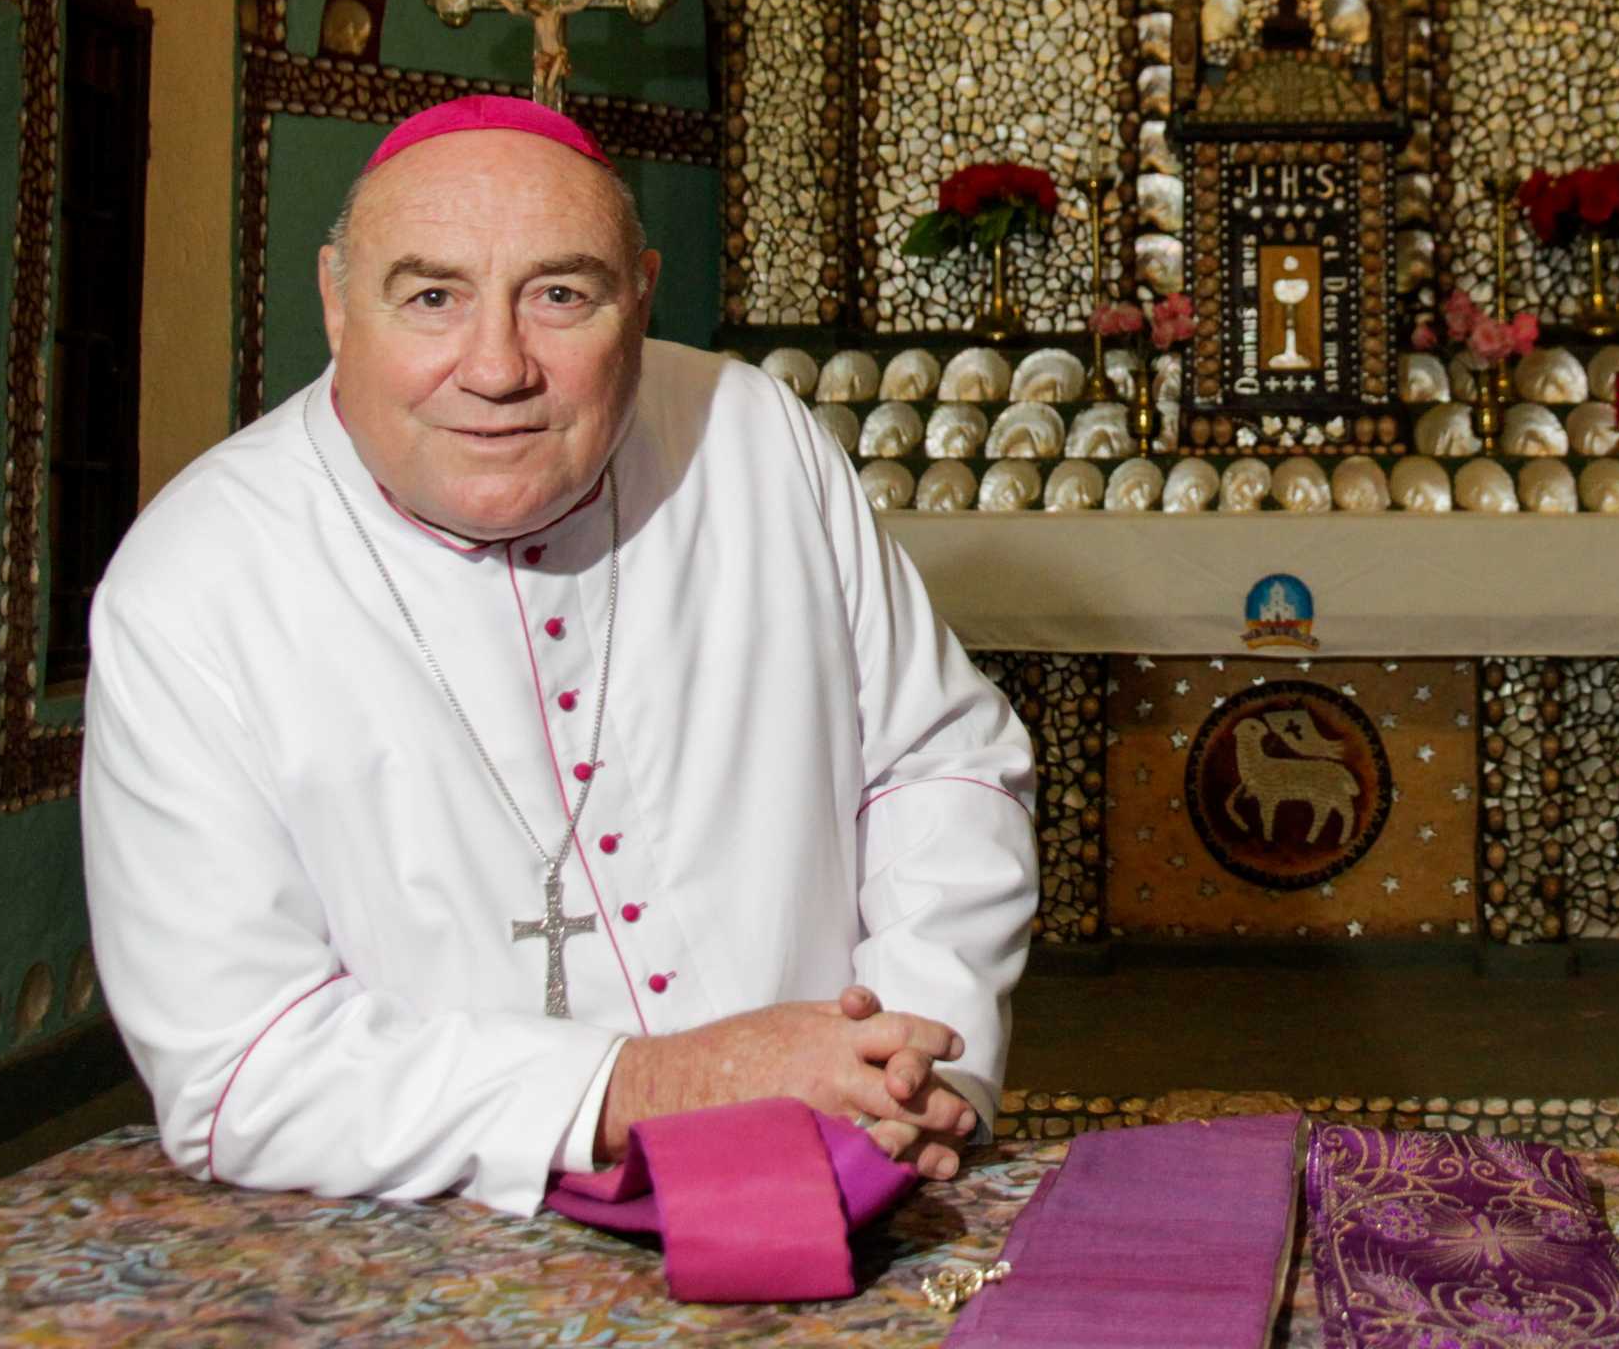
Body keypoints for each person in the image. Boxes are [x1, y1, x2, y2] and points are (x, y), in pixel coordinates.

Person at [82, 95, 1037, 1212]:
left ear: (640, 294)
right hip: (437, 1229)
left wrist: (912, 1053)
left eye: (561, 295)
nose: (496, 366)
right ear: (338, 303)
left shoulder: (756, 435)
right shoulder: (192, 583)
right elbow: (240, 1066)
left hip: (837, 1175)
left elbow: (939, 763)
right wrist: (662, 1081)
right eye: (432, 295)